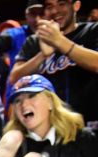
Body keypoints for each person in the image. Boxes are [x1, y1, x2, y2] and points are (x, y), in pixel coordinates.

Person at [10, 0, 98, 129]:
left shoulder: (92, 31)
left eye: (62, 4)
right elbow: (14, 78)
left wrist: (60, 42)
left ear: (76, 5)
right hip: (50, 128)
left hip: (90, 124)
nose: (55, 11)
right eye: (50, 6)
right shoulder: (34, 41)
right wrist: (42, 56)